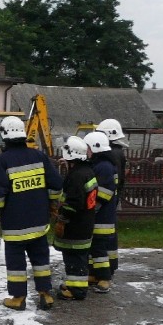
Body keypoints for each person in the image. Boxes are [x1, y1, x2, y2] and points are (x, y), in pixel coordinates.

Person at [0, 116, 63, 311]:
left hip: (14, 226)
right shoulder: (39, 157)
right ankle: (45, 294)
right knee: (41, 259)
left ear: (4, 135)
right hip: (39, 222)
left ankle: (18, 298)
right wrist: (53, 203)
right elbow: (56, 184)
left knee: (16, 263)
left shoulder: (1, 161)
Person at [53, 136, 98, 301]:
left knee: (74, 258)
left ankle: (77, 291)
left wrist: (62, 218)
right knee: (78, 257)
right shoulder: (87, 171)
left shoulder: (77, 176)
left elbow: (73, 203)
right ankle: (73, 285)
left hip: (76, 226)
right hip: (85, 223)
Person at [83, 131, 118, 294]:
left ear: (96, 148)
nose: (86, 151)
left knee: (99, 249)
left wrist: (90, 209)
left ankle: (104, 279)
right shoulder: (99, 165)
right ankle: (95, 274)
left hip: (102, 217)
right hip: (98, 217)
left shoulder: (103, 167)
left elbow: (104, 193)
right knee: (93, 248)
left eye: (87, 148)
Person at [95, 118, 127, 274]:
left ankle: (106, 270)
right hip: (114, 196)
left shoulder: (111, 154)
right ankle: (110, 266)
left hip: (108, 199)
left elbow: (113, 180)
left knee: (105, 237)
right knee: (110, 235)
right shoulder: (118, 152)